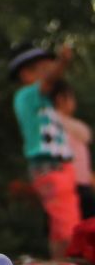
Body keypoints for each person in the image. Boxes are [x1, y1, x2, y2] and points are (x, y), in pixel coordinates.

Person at [11, 43, 79, 257]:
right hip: (50, 167)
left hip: (59, 167)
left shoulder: (45, 103)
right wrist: (63, 61)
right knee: (67, 226)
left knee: (62, 225)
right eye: (44, 68)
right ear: (26, 74)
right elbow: (50, 80)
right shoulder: (26, 96)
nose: (50, 72)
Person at [52, 82, 95, 220]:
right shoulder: (56, 125)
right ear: (60, 99)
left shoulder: (70, 127)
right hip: (71, 185)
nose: (74, 102)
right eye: (71, 98)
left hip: (81, 184)